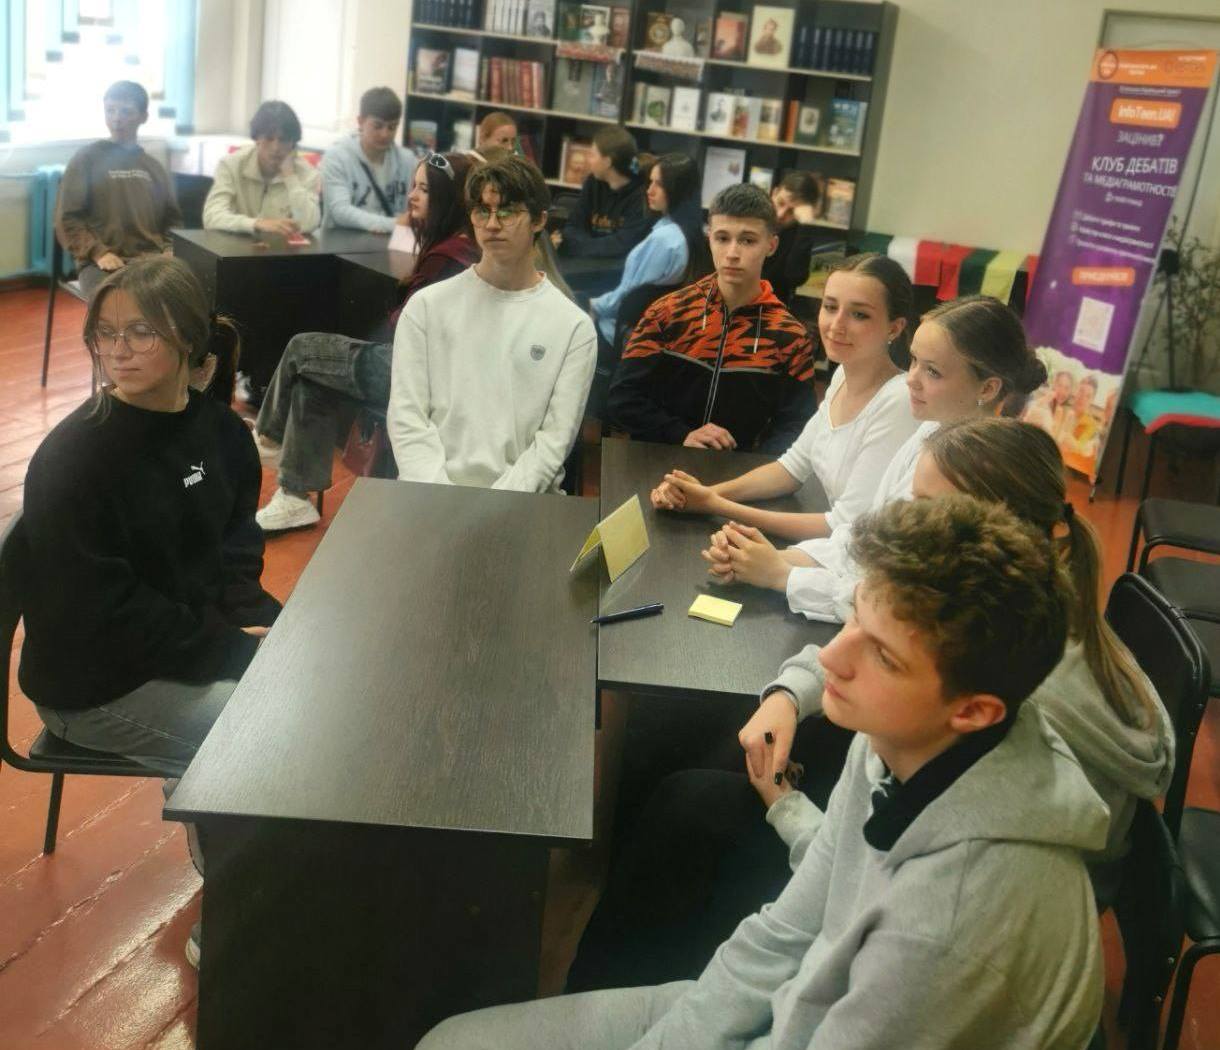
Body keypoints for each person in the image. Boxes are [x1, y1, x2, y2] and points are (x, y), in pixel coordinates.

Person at [418, 496, 1109, 1050]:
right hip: (794, 1006)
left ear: (974, 710)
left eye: (884, 657)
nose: (831, 659)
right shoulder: (899, 740)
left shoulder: (952, 928)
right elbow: (783, 933)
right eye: (853, 619)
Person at [567, 417, 1173, 992]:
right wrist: (788, 693)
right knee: (700, 767)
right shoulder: (995, 617)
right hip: (873, 852)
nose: (903, 519)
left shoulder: (1014, 688)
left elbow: (868, 882)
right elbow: (855, 637)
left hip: (880, 896)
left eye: (925, 508)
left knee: (689, 817)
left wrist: (785, 807)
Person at [704, 293, 1047, 617]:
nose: (911, 379)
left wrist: (783, 576)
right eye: (914, 361)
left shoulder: (976, 475)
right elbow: (866, 536)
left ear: (988, 388)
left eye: (932, 371)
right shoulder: (931, 429)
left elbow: (902, 598)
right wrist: (774, 559)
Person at [254, 152, 481, 532]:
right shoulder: (457, 247)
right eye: (413, 186)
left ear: (449, 197)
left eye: (424, 189)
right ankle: (294, 497)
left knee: (301, 349)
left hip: (413, 374)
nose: (412, 196)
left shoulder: (449, 257)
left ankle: (268, 439)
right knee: (312, 376)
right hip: (417, 366)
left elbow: (407, 328)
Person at [649, 253, 918, 541]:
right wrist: (702, 492)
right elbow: (791, 468)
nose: (836, 324)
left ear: (894, 327)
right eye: (830, 307)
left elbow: (845, 525)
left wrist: (714, 504)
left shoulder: (900, 400)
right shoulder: (842, 376)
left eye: (859, 314)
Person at [387, 154, 595, 491]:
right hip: (429, 495)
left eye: (507, 211)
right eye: (482, 211)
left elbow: (553, 443)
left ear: (539, 220)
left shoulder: (574, 327)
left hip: (522, 503)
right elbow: (407, 418)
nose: (493, 224)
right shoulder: (426, 307)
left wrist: (492, 506)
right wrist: (437, 497)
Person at [607, 183, 815, 454]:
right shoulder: (667, 314)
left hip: (741, 472)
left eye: (748, 240)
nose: (732, 253)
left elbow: (797, 425)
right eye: (722, 238)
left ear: (771, 245)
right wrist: (681, 434)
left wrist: (755, 469)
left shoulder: (789, 337)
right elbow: (622, 398)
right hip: (661, 461)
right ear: (709, 238)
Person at [55, 80, 182, 299]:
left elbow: (172, 219)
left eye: (126, 111)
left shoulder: (153, 167)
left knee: (186, 298)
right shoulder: (86, 159)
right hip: (101, 262)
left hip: (152, 259)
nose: (116, 118)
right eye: (110, 110)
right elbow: (67, 219)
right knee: (118, 306)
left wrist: (170, 249)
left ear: (143, 117)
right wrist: (98, 253)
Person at [588, 152, 704, 349]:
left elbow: (628, 297)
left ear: (678, 190)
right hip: (653, 335)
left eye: (659, 184)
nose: (650, 190)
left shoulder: (663, 240)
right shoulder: (691, 233)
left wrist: (594, 306)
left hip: (620, 333)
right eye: (650, 182)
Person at [203, 100, 321, 236]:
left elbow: (308, 224)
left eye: (283, 140)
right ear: (257, 138)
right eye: (269, 139)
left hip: (278, 247)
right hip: (235, 245)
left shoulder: (308, 173)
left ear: (293, 143)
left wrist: (290, 177)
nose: (276, 148)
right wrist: (256, 224)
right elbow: (211, 217)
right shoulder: (231, 164)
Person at [320, 86, 417, 232]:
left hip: (391, 242)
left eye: (392, 127)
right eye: (377, 126)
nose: (385, 134)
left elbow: (417, 209)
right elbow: (340, 212)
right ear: (360, 121)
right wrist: (394, 224)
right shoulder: (336, 157)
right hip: (342, 241)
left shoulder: (408, 161)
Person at [552, 126, 653, 259]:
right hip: (583, 261)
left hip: (615, 267)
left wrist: (577, 246)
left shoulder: (642, 194)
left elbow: (623, 245)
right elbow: (573, 226)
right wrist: (582, 246)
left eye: (592, 155)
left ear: (607, 162)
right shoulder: (593, 182)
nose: (588, 159)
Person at [764, 170, 825, 305]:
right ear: (774, 193)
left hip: (771, 308)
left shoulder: (798, 234)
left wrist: (806, 225)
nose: (780, 214)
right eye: (780, 203)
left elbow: (795, 278)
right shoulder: (751, 219)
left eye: (791, 211)